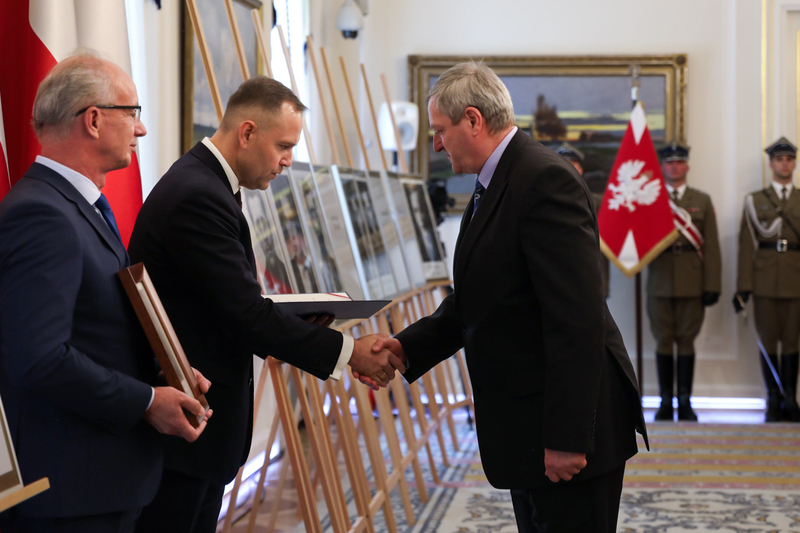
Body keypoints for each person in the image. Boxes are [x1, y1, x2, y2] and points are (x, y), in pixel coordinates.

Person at [366, 62, 647, 533]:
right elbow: (481, 296)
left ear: (473, 120)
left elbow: (575, 320)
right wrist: (405, 347)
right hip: (528, 421)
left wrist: (566, 436)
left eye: (440, 130)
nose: (436, 142)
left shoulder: (542, 180)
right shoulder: (497, 181)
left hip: (567, 431)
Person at [128, 76, 403, 533]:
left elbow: (224, 301)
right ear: (248, 132)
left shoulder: (207, 183)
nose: (287, 161)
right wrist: (350, 350)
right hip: (184, 426)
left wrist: (299, 318)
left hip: (198, 425)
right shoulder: (199, 193)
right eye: (284, 145)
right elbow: (245, 315)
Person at [0, 54, 210, 533]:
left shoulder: (78, 204)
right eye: (132, 112)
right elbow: (38, 358)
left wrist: (167, 371)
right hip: (71, 490)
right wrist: (144, 401)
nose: (141, 129)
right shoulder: (43, 215)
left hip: (99, 479)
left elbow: (97, 326)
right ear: (93, 120)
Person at [646, 142, 721, 422]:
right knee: (663, 340)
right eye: (669, 162)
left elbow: (711, 246)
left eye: (679, 162)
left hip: (692, 279)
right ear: (662, 167)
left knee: (687, 341)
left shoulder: (701, 200)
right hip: (660, 278)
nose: (674, 167)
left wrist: (712, 284)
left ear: (687, 166)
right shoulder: (650, 199)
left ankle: (685, 401)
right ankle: (666, 401)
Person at [734, 137, 800, 422]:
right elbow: (746, 245)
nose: (784, 163)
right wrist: (743, 288)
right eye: (779, 159)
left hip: (795, 280)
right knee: (769, 341)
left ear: (794, 164)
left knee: (793, 342)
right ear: (771, 164)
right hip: (763, 282)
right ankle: (773, 400)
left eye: (788, 159)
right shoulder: (755, 201)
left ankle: (791, 399)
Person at [555, 142, 610, 298]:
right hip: (555, 280)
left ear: (581, 170)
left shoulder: (598, 204)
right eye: (562, 163)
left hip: (590, 280)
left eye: (573, 164)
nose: (568, 169)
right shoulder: (538, 201)